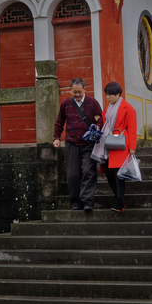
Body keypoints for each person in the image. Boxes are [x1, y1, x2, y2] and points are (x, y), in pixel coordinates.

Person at [53, 78, 104, 211]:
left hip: (88, 144)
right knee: (73, 174)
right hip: (71, 144)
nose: (77, 94)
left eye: (79, 92)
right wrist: (56, 138)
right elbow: (59, 122)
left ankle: (88, 202)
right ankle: (75, 202)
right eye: (74, 92)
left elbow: (100, 119)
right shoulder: (65, 104)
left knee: (88, 171)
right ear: (70, 90)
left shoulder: (93, 103)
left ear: (84, 90)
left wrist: (97, 129)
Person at [90, 81, 136, 212]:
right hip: (106, 144)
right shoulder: (108, 109)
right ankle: (119, 199)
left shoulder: (128, 108)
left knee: (119, 174)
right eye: (107, 95)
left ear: (118, 94)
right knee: (109, 174)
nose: (108, 97)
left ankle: (119, 201)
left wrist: (132, 147)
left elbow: (132, 128)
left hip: (120, 144)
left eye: (111, 95)